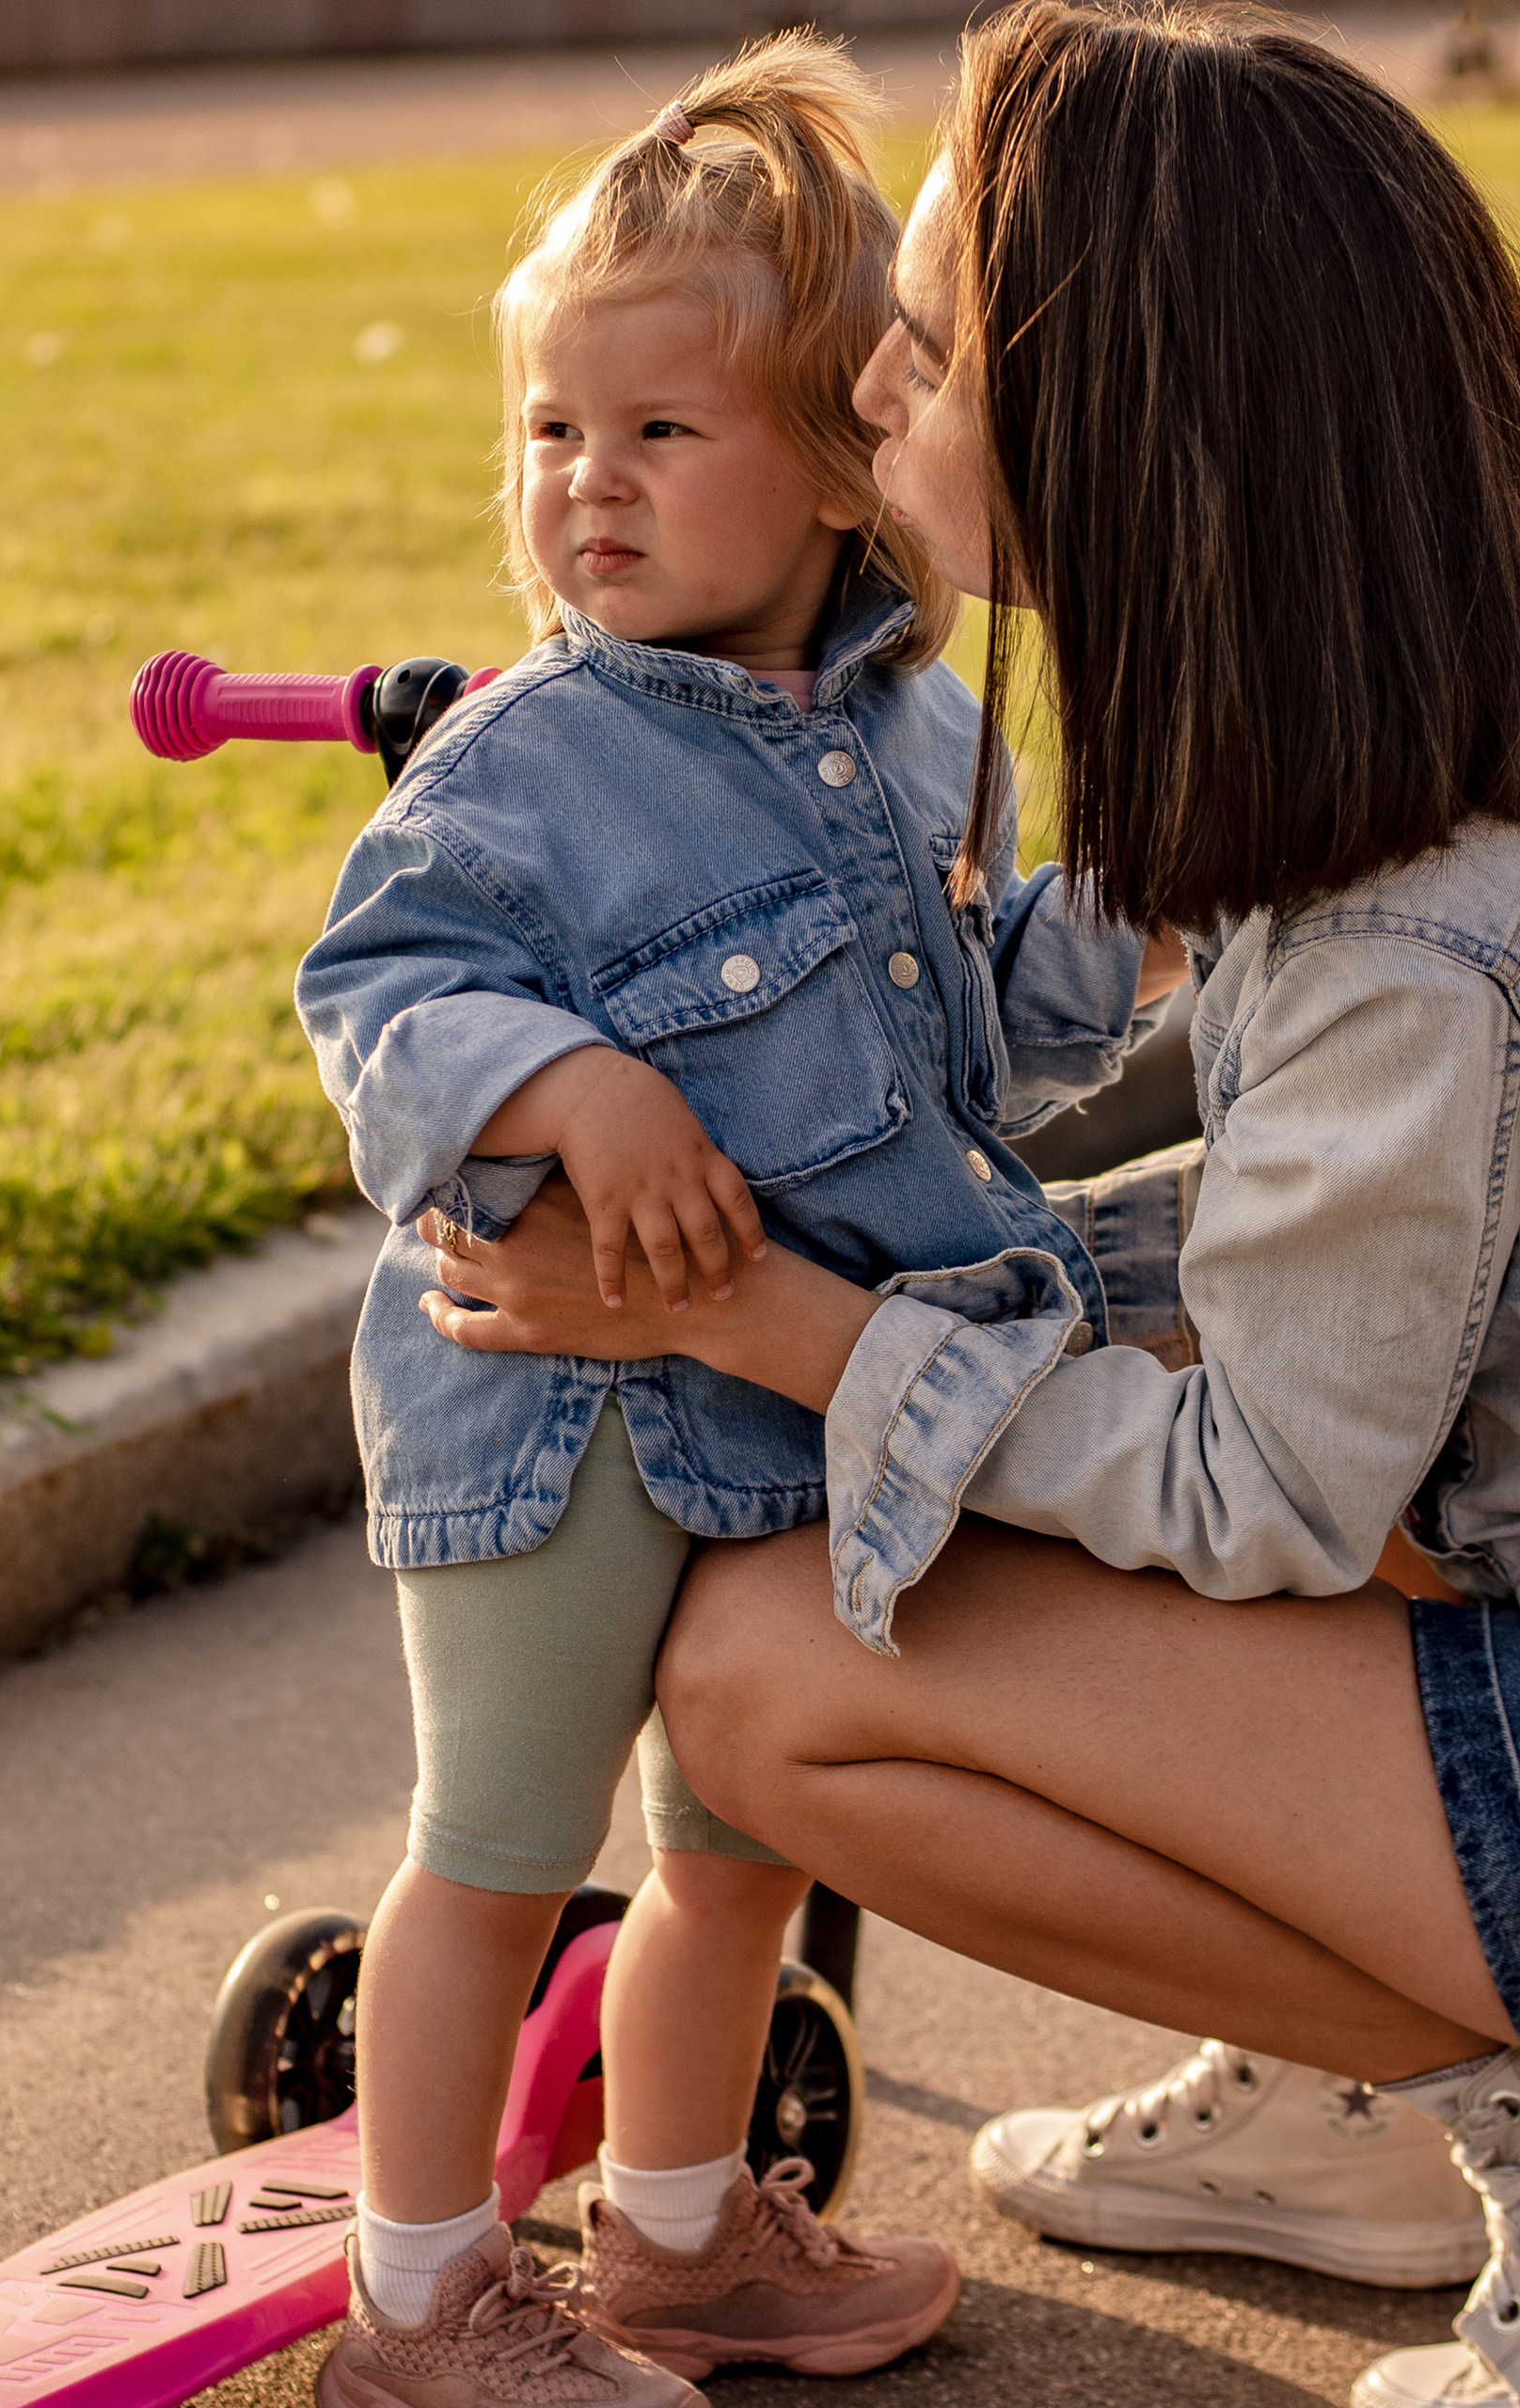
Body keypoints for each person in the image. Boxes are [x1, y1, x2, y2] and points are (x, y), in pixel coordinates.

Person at [417, 8, 1520, 2408]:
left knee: (762, 1684)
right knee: (1100, 1371)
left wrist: (762, 1309)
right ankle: (1353, 2110)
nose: (873, 376)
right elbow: (1318, 1260)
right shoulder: (1517, 666)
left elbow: (1260, 1490)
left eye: (939, 340)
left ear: (1128, 424)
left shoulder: (1425, 909)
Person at [291, 35, 1186, 2408]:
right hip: (558, 1405)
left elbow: (967, 1036)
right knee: (495, 1852)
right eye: (552, 433)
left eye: (659, 432)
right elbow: (378, 991)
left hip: (787, 1386)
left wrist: (1142, 918)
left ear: (838, 455)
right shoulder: (529, 761)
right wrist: (567, 1079)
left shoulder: (917, 735)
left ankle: (678, 2238)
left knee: (738, 1851)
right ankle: (411, 2302)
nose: (586, 483)